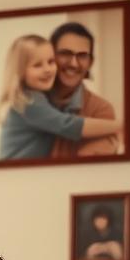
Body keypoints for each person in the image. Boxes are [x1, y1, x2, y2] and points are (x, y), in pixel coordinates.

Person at [0, 34, 122, 161]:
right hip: (15, 176)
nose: (47, 69)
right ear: (20, 72)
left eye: (51, 62)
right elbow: (68, 125)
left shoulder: (35, 97)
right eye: (37, 65)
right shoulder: (29, 102)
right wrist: (121, 125)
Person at [48, 22, 122, 159]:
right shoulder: (30, 101)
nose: (74, 63)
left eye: (82, 56)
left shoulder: (101, 109)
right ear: (50, 56)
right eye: (65, 53)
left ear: (90, 63)